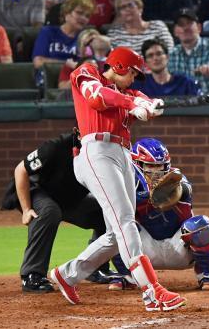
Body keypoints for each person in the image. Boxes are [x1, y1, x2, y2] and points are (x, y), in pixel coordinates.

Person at [50, 46, 187, 311]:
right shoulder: (88, 72)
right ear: (120, 67)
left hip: (123, 153)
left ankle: (68, 274)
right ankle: (151, 290)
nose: (134, 80)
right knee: (125, 221)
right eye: (133, 73)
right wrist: (133, 103)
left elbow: (142, 101)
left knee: (121, 228)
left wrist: (148, 106)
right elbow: (97, 97)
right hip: (96, 151)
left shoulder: (130, 92)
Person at [0, 130, 115, 293]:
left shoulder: (105, 150)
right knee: (49, 211)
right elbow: (21, 170)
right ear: (78, 132)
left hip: (69, 197)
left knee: (106, 210)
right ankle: (32, 275)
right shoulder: (56, 147)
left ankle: (96, 267)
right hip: (39, 191)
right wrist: (26, 209)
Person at [108, 138, 209, 291]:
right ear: (136, 165)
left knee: (201, 224)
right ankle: (127, 275)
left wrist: (169, 191)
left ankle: (207, 275)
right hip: (143, 250)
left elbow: (185, 188)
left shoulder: (175, 178)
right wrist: (145, 196)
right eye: (151, 167)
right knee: (115, 228)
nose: (156, 172)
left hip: (178, 247)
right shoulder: (125, 183)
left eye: (160, 166)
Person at [32, 0, 93, 70]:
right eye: (79, 13)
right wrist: (67, 64)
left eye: (87, 16)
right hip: (47, 76)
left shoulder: (86, 38)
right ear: (66, 13)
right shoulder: (47, 32)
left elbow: (89, 66)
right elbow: (38, 62)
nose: (83, 18)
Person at [107, 0, 174, 53]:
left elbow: (170, 50)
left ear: (140, 8)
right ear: (119, 13)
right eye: (122, 7)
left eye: (130, 5)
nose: (127, 9)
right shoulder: (114, 33)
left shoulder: (157, 26)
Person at [130, 39, 200, 97]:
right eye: (150, 55)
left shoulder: (186, 83)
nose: (155, 58)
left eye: (159, 53)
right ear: (145, 62)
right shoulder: (138, 86)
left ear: (167, 57)